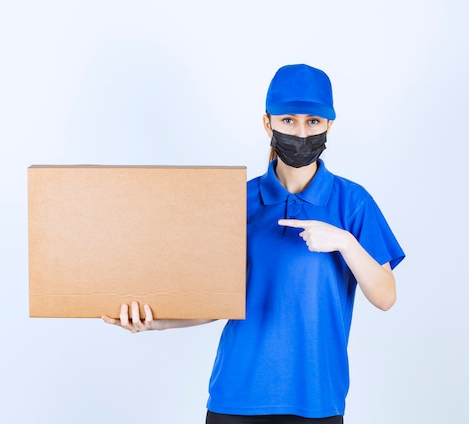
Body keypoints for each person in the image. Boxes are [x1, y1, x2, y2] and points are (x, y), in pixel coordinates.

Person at [102, 63, 405, 424]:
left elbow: (385, 296)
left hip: (316, 400)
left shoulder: (352, 203)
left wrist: (344, 241)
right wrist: (157, 323)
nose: (301, 131)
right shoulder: (237, 202)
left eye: (313, 122)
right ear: (268, 124)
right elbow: (220, 301)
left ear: (328, 126)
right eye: (288, 120)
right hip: (237, 398)